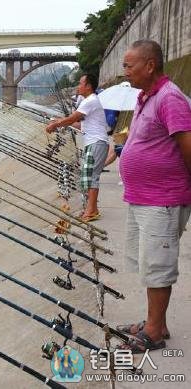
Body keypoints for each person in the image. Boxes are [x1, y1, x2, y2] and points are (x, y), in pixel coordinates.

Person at [116, 40, 191, 353]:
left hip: (163, 200)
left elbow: (188, 147)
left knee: (158, 266)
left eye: (129, 65)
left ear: (149, 65)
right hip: (143, 197)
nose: (125, 71)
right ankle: (154, 323)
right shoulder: (146, 97)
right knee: (150, 265)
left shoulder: (171, 98)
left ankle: (154, 333)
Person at [45, 73, 109, 222]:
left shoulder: (90, 100)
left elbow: (73, 118)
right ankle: (92, 209)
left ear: (88, 86)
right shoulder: (89, 101)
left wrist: (56, 124)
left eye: (80, 83)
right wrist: (58, 121)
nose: (78, 86)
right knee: (88, 177)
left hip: (96, 142)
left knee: (91, 176)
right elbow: (79, 124)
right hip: (93, 142)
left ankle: (91, 211)